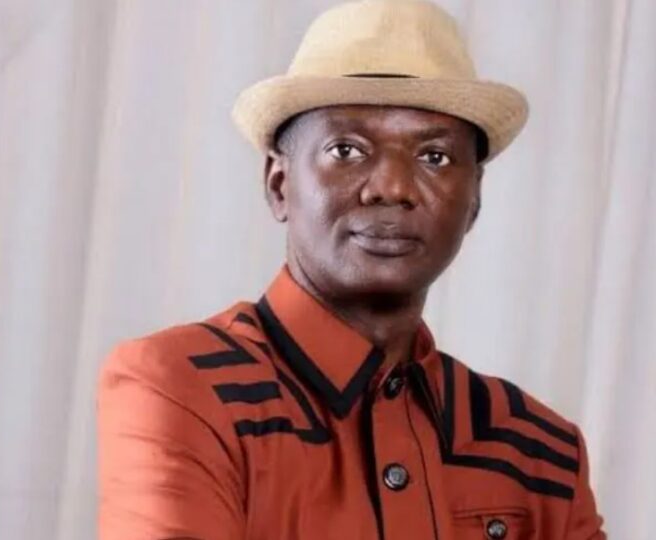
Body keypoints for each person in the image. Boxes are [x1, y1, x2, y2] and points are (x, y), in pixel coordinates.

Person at [97, 1, 606, 538]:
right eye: (347, 150)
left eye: (434, 157)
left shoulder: (541, 451)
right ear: (279, 184)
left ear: (474, 198)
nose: (393, 187)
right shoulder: (184, 389)